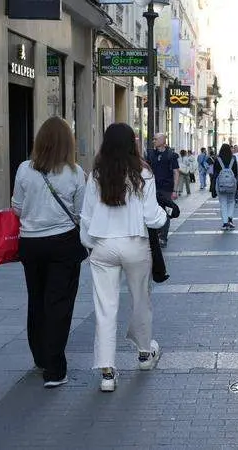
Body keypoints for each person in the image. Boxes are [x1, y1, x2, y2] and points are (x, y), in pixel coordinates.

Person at [79, 123, 168, 392]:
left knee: (105, 308)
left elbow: (86, 215)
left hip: (103, 246)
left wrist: (90, 244)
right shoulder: (143, 172)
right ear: (132, 143)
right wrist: (166, 217)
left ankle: (107, 372)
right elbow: (152, 217)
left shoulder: (96, 174)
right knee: (141, 300)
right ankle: (144, 354)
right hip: (135, 245)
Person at [11, 116, 88, 388]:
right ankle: (55, 370)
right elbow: (81, 213)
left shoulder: (24, 169)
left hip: (30, 243)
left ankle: (41, 356)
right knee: (59, 303)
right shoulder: (76, 173)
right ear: (69, 143)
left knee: (37, 299)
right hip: (64, 243)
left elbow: (17, 208)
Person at [145, 133, 178, 248]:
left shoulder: (171, 155)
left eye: (155, 139)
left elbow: (175, 172)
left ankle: (163, 237)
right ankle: (156, 235)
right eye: (153, 139)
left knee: (166, 212)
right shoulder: (150, 154)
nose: (153, 141)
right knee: (152, 211)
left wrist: (175, 190)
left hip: (166, 188)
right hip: (152, 188)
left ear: (163, 140)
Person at [211, 143, 238, 230]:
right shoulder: (233, 159)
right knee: (231, 201)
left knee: (223, 202)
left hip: (221, 185)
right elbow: (236, 173)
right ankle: (230, 219)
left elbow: (215, 173)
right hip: (231, 184)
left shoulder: (217, 159)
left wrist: (212, 186)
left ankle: (225, 222)